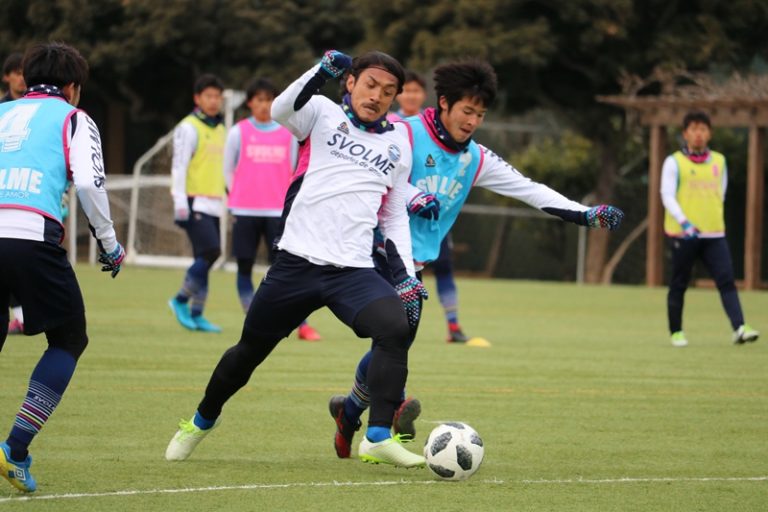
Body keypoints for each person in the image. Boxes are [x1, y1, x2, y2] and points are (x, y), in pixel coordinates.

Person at [329, 59, 624, 459]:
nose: (472, 122)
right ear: (444, 103)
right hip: (372, 252)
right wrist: (414, 196)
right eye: (467, 111)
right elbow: (374, 168)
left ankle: (351, 413)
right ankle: (382, 425)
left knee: (394, 344)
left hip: (414, 266)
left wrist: (583, 214)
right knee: (392, 340)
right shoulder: (404, 132)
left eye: (480, 115)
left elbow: (528, 188)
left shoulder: (475, 158)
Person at [165, 50, 426, 468]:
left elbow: (393, 216)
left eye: (388, 91)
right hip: (296, 264)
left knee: (396, 327)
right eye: (370, 84)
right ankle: (200, 421)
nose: (377, 96)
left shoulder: (398, 141)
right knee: (248, 352)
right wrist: (320, 71)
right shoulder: (320, 112)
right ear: (350, 83)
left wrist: (406, 276)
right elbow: (281, 108)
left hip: (353, 271)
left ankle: (377, 435)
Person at [0, 41, 125, 493]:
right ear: (72, 87)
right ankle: (14, 450)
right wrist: (109, 245)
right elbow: (90, 185)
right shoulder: (75, 118)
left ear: (27, 78)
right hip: (31, 237)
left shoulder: (2, 112)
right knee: (69, 339)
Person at [223, 78, 322, 341]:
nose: (265, 105)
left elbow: (295, 169)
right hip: (244, 211)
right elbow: (227, 169)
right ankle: (252, 319)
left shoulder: (288, 134)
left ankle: (302, 325)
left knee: (286, 269)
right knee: (245, 266)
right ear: (250, 103)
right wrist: (237, 197)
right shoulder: (238, 132)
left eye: (269, 100)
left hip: (278, 212)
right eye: (260, 100)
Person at [661, 111, 759, 347]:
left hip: (714, 233)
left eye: (703, 129)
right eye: (694, 129)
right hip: (683, 234)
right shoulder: (674, 162)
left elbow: (720, 194)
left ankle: (739, 327)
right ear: (685, 133)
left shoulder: (719, 161)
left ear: (710, 134)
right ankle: (676, 332)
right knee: (679, 283)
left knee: (726, 281)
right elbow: (667, 195)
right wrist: (685, 222)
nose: (698, 134)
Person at [168, 74, 226, 333]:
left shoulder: (221, 129)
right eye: (208, 96)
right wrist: (180, 201)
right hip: (194, 201)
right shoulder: (188, 127)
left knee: (204, 257)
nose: (213, 101)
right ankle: (180, 299)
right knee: (212, 252)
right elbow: (179, 166)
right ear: (197, 98)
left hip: (214, 201)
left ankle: (197, 313)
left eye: (217, 97)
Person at [1, 52, 27, 335]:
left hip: (32, 194)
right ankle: (21, 315)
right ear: (6, 77)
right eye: (17, 72)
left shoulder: (38, 111)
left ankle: (25, 314)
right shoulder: (2, 111)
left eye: (25, 72)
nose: (22, 78)